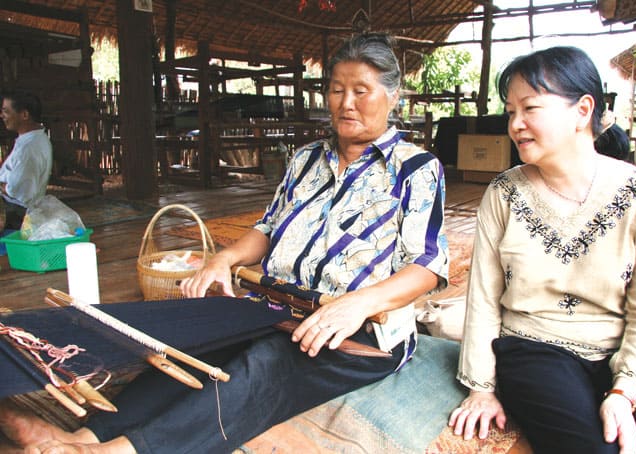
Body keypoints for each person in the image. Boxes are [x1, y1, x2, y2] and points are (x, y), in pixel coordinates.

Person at [0, 32, 449, 453]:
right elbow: (268, 227)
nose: (345, 103)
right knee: (196, 346)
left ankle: (123, 450)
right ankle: (86, 433)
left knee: (266, 363)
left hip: (357, 331)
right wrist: (224, 259)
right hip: (276, 307)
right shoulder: (307, 159)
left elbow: (427, 265)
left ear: (393, 95)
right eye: (336, 89)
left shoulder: (416, 169)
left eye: (361, 90)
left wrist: (356, 304)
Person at [448, 46, 636, 454]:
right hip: (534, 347)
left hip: (622, 347)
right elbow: (483, 299)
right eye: (510, 112)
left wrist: (625, 390)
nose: (516, 124)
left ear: (583, 110)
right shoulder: (504, 193)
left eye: (530, 108)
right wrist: (481, 386)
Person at [0, 90, 52, 229]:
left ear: (24, 115)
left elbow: (17, 191)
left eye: (6, 111)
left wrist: (3, 186)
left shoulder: (30, 149)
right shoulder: (28, 140)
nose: (2, 116)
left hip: (17, 215)